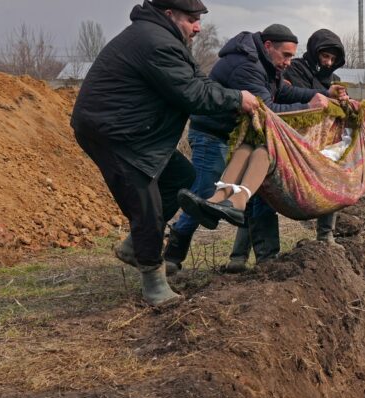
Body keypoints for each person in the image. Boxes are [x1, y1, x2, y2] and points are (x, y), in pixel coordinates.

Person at [70, 0, 258, 306]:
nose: (197, 26)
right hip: (115, 134)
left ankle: (134, 246)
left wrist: (232, 97)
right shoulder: (156, 42)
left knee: (182, 175)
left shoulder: (165, 39)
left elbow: (197, 81)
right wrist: (237, 99)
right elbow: (192, 94)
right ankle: (153, 281)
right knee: (147, 202)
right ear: (169, 14)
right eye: (191, 19)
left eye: (199, 19)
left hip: (137, 132)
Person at [163, 24, 341, 274]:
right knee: (202, 193)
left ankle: (267, 258)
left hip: (238, 136)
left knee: (259, 195)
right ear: (268, 46)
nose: (289, 62)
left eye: (292, 56)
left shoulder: (268, 65)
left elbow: (285, 91)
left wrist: (322, 93)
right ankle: (172, 255)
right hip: (212, 134)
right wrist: (310, 107)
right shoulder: (248, 66)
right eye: (286, 55)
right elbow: (266, 111)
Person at [283, 29, 350, 246]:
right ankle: (244, 253)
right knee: (266, 194)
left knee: (332, 178)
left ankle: (325, 237)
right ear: (314, 52)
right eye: (325, 56)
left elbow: (337, 108)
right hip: (293, 140)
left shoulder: (334, 80)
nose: (329, 62)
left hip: (324, 140)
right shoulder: (294, 70)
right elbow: (291, 95)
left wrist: (344, 101)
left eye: (332, 58)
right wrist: (326, 96)